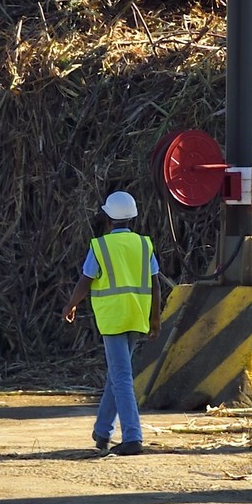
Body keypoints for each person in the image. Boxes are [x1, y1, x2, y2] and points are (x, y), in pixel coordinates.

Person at [62, 189, 163, 456]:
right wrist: (156, 317)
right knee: (118, 375)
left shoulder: (100, 246)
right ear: (133, 217)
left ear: (107, 216)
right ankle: (103, 431)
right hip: (137, 316)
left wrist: (71, 305)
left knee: (121, 376)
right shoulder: (144, 244)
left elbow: (85, 280)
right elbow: (155, 284)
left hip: (113, 319)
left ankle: (132, 436)